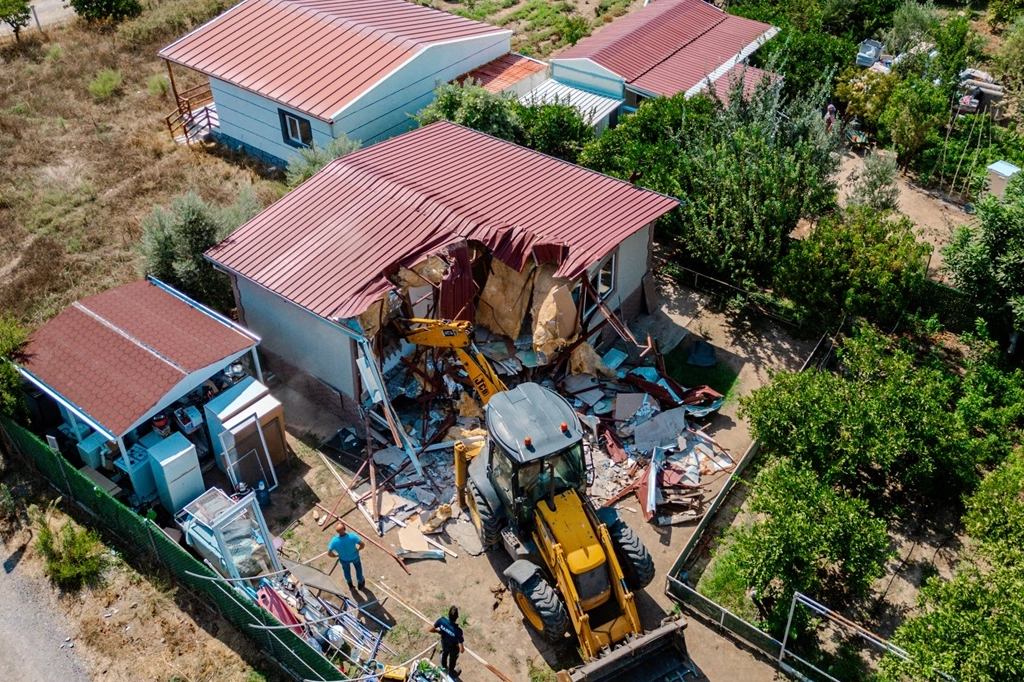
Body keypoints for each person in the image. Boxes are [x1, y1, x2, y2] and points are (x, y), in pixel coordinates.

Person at [327, 521, 365, 590]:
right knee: (358, 569)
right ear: (345, 528)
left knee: (346, 571)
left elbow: (329, 553)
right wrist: (358, 549)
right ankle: (360, 583)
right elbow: (362, 544)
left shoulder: (334, 541)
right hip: (355, 557)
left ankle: (350, 584)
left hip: (343, 559)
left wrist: (335, 555)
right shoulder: (352, 536)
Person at [430, 605, 464, 677]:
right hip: (453, 650)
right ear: (457, 617)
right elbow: (461, 650)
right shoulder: (458, 631)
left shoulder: (441, 621)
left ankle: (443, 666)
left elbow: (431, 629)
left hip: (444, 644)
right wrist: (458, 644)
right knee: (452, 660)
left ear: (448, 615)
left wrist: (440, 632)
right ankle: (451, 671)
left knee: (444, 654)